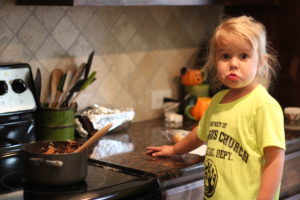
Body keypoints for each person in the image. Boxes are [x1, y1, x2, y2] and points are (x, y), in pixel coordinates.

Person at [147, 15, 285, 200]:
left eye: (244, 56)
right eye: (225, 56)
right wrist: (175, 150)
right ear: (214, 60)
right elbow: (200, 133)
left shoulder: (264, 106)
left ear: (260, 61)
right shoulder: (218, 100)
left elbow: (275, 159)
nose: (233, 64)